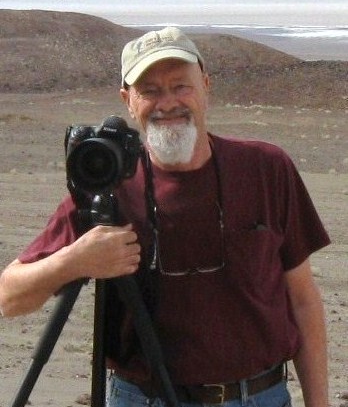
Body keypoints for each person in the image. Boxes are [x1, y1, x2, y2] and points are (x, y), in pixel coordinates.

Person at [0, 27, 330, 407]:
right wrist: (74, 261)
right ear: (128, 100)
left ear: (206, 86)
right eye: (150, 90)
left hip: (260, 396)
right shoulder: (109, 189)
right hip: (145, 399)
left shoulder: (265, 169)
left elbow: (303, 299)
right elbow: (11, 297)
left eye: (181, 86)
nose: (167, 102)